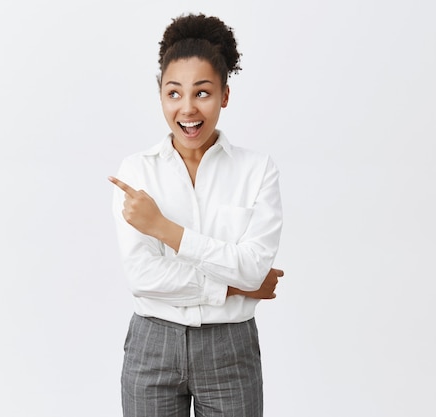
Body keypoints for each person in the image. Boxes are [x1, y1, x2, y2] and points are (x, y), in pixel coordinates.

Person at [108, 13, 284, 417]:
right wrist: (235, 288)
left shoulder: (257, 170)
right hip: (152, 345)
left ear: (224, 95)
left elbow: (254, 268)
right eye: (174, 93)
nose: (187, 108)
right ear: (161, 96)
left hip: (230, 349)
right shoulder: (137, 171)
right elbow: (143, 277)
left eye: (202, 93)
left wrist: (165, 230)